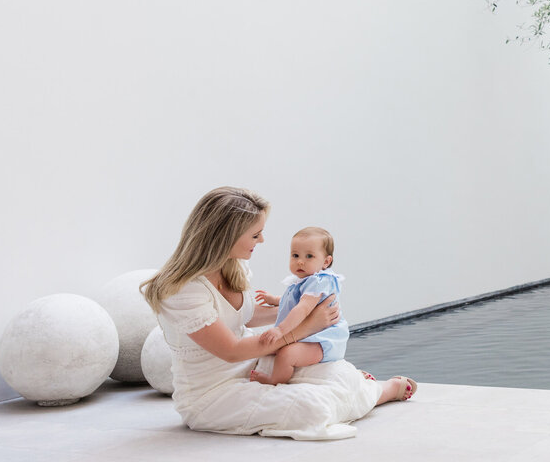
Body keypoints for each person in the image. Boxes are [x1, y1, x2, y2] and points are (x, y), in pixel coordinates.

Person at [141, 186, 417, 440]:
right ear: (226, 235)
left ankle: (371, 390)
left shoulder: (232, 267)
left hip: (252, 364)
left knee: (338, 373)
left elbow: (243, 315)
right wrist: (306, 327)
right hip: (211, 394)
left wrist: (302, 311)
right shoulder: (182, 290)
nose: (262, 239)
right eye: (254, 234)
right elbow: (231, 350)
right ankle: (377, 393)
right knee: (312, 408)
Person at [250, 226, 349, 386]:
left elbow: (303, 307)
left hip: (323, 341)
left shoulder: (319, 281)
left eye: (309, 256)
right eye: (295, 255)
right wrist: (274, 300)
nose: (300, 261)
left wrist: (280, 330)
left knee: (286, 355)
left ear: (326, 261)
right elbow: (295, 300)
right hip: (309, 335)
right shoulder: (305, 282)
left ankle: (274, 381)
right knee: (270, 347)